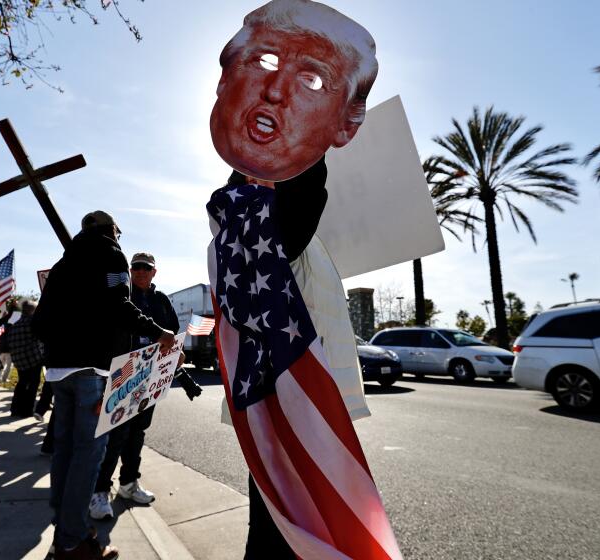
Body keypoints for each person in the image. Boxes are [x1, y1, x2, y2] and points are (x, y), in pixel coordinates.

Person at [207, 2, 400, 559]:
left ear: (346, 122)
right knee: (283, 525)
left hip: (284, 388)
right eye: (264, 62)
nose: (275, 90)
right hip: (275, 391)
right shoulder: (251, 196)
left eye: (311, 79)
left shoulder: (279, 194)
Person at [33, 211, 176, 560]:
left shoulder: (62, 264)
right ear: (112, 231)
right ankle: (73, 541)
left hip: (58, 372)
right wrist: (158, 331)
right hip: (91, 372)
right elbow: (118, 303)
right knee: (88, 455)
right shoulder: (111, 255)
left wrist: (61, 345)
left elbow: (39, 321)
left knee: (64, 454)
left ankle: (64, 532)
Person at [89, 252, 181, 519]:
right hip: (122, 376)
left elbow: (173, 331)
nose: (140, 271)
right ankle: (99, 490)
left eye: (146, 267)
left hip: (150, 378)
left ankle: (129, 483)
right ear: (130, 270)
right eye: (136, 267)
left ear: (154, 272)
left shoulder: (161, 300)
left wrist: (178, 352)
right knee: (115, 435)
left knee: (138, 433)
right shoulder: (121, 296)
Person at [8, 300, 45, 417]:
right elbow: (42, 338)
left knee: (22, 383)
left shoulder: (16, 323)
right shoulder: (33, 322)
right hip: (33, 359)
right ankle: (27, 411)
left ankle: (15, 409)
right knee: (33, 385)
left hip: (19, 360)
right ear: (32, 310)